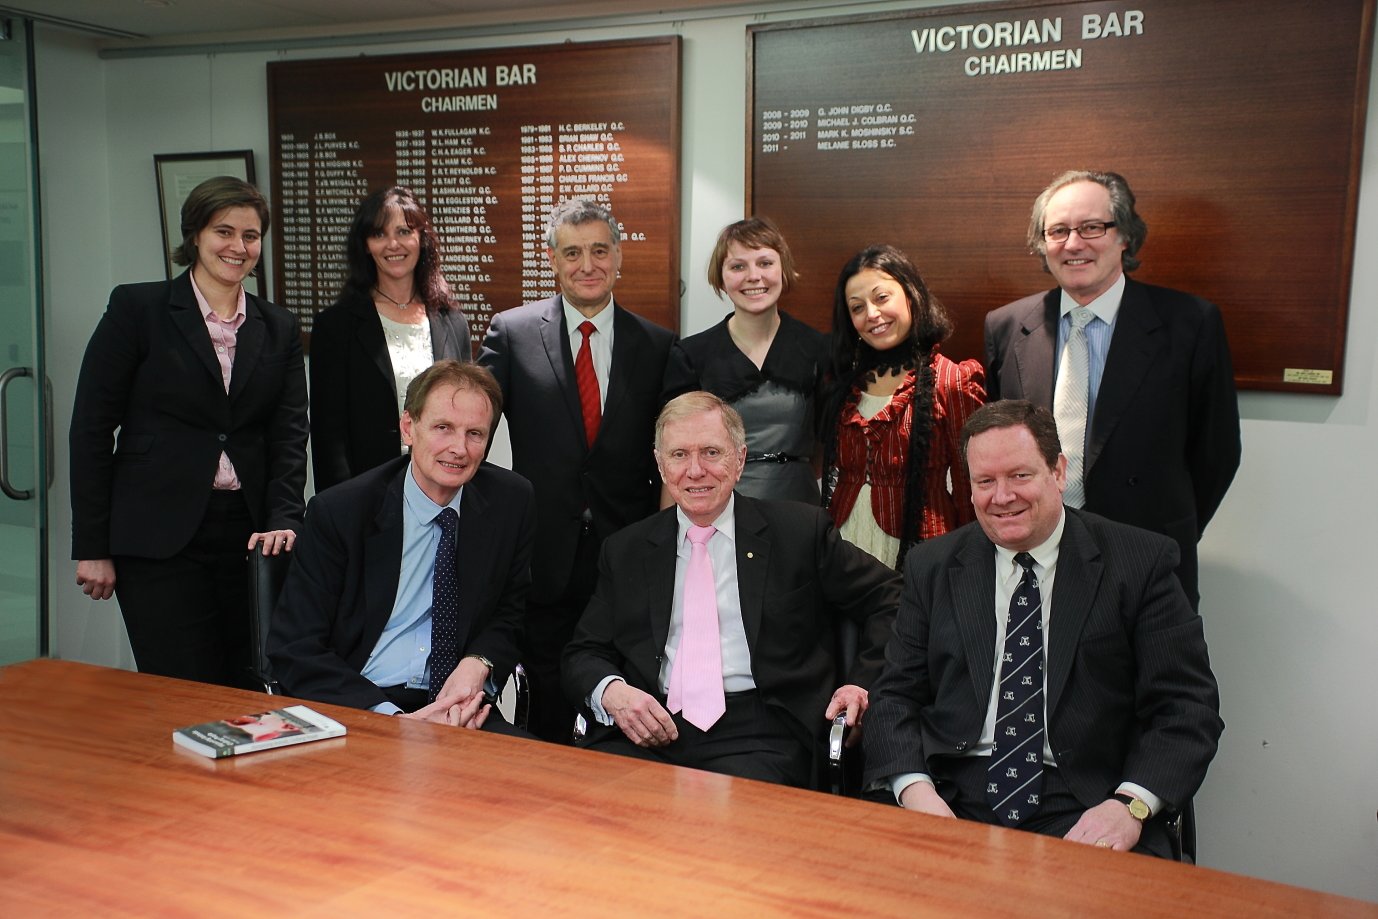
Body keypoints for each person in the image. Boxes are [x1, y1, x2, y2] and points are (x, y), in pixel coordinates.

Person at [864, 400, 1222, 858]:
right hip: (950, 793)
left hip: (1086, 800)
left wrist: (1130, 805)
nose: (1002, 496)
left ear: (1058, 472)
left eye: (1019, 476)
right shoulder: (931, 565)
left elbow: (1187, 707)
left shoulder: (1138, 563)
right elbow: (895, 697)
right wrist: (915, 792)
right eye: (985, 482)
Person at [562, 392, 901, 787]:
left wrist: (860, 683)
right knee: (596, 815)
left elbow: (890, 597)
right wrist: (614, 694)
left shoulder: (798, 532)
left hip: (762, 733)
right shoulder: (626, 550)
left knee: (725, 834)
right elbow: (582, 652)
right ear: (660, 463)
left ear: (739, 460)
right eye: (678, 455)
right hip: (649, 726)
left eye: (711, 452)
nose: (695, 471)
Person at [70, 176, 308, 690]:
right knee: (180, 689)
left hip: (249, 536)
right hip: (158, 537)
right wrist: (92, 545)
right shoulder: (138, 310)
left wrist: (286, 517)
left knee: (252, 688)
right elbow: (91, 429)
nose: (238, 247)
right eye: (224, 231)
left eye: (250, 235)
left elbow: (289, 434)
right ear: (194, 235)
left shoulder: (279, 326)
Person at [983, 170, 1240, 609]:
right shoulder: (1007, 327)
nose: (1074, 243)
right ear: (1042, 244)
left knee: (1147, 675)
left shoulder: (1189, 324)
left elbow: (1216, 452)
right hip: (1035, 557)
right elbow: (1001, 446)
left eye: (1091, 227)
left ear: (1124, 236)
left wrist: (1170, 526)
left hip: (1148, 553)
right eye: (1058, 230)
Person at [479, 198, 676, 743]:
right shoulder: (511, 333)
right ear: (552, 260)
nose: (586, 265)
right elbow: (473, 428)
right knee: (544, 687)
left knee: (625, 682)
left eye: (598, 251)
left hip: (627, 546)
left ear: (618, 258)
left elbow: (673, 452)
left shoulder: (657, 345)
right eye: (572, 253)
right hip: (542, 546)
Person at [268, 361, 534, 733]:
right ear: (408, 427)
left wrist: (478, 662)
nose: (459, 448)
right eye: (443, 428)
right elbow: (295, 647)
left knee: (538, 778)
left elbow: (511, 611)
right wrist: (391, 719)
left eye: (475, 433)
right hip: (360, 708)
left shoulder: (510, 501)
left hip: (457, 710)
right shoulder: (341, 512)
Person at [821, 244, 985, 571]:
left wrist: (976, 568)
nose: (871, 314)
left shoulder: (952, 380)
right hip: (842, 554)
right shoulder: (845, 384)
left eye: (881, 298)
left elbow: (972, 485)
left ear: (911, 294)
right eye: (857, 307)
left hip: (924, 557)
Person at [309, 186, 472, 493]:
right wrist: (341, 510)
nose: (393, 244)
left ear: (421, 239)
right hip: (367, 492)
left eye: (404, 231)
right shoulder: (336, 326)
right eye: (379, 234)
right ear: (365, 245)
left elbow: (468, 415)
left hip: (443, 490)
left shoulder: (453, 322)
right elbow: (329, 437)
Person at [661, 217, 828, 503]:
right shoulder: (691, 355)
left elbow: (826, 447)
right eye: (738, 266)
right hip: (715, 509)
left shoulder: (818, 348)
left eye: (765, 263)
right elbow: (675, 453)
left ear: (783, 269)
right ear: (721, 278)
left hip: (800, 508)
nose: (753, 276)